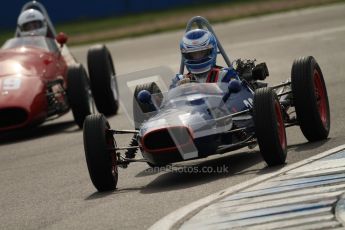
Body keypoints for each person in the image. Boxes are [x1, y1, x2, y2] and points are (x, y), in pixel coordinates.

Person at [170, 29, 240, 88]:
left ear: (211, 51)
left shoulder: (225, 75)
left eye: (201, 52)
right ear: (186, 55)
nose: (197, 58)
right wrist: (180, 89)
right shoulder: (179, 80)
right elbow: (171, 101)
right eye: (193, 54)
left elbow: (236, 98)